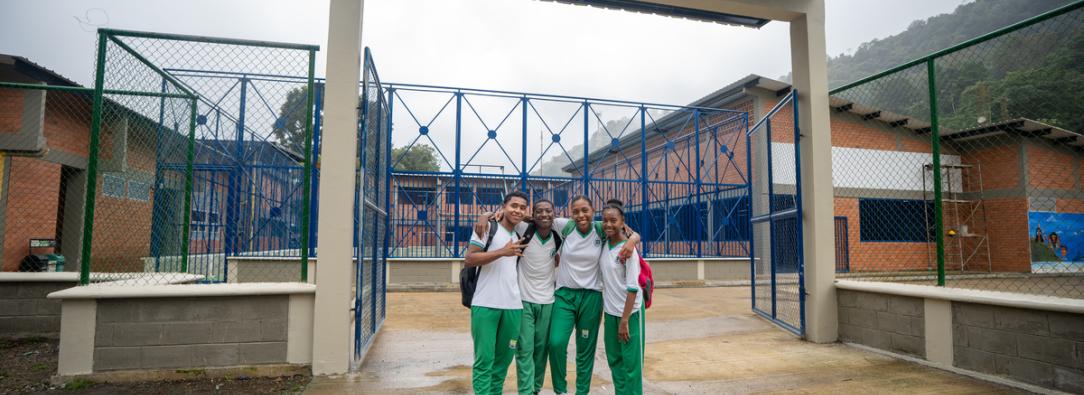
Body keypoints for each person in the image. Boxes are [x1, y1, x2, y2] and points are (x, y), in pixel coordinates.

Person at [478, 195, 640, 395]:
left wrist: (633, 239)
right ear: (570, 214)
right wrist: (487, 215)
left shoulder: (600, 228)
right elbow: (533, 217)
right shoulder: (564, 226)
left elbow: (621, 227)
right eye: (576, 211)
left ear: (593, 212)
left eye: (585, 210)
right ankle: (560, 390)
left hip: (591, 297)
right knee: (555, 343)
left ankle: (581, 391)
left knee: (585, 350)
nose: (581, 215)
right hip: (563, 296)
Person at [464, 191, 530, 395]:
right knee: (484, 361)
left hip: (513, 306)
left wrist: (488, 213)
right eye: (513, 206)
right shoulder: (487, 228)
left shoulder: (518, 234)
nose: (517, 210)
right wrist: (502, 251)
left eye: (522, 207)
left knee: (503, 363)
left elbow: (539, 217)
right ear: (503, 207)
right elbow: (470, 259)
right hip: (486, 304)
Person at [599, 199, 644, 395]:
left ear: (622, 222)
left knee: (631, 365)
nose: (608, 224)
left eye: (613, 220)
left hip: (629, 314)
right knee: (615, 361)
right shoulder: (603, 242)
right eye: (605, 220)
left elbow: (633, 288)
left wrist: (625, 321)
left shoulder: (628, 250)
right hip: (610, 312)